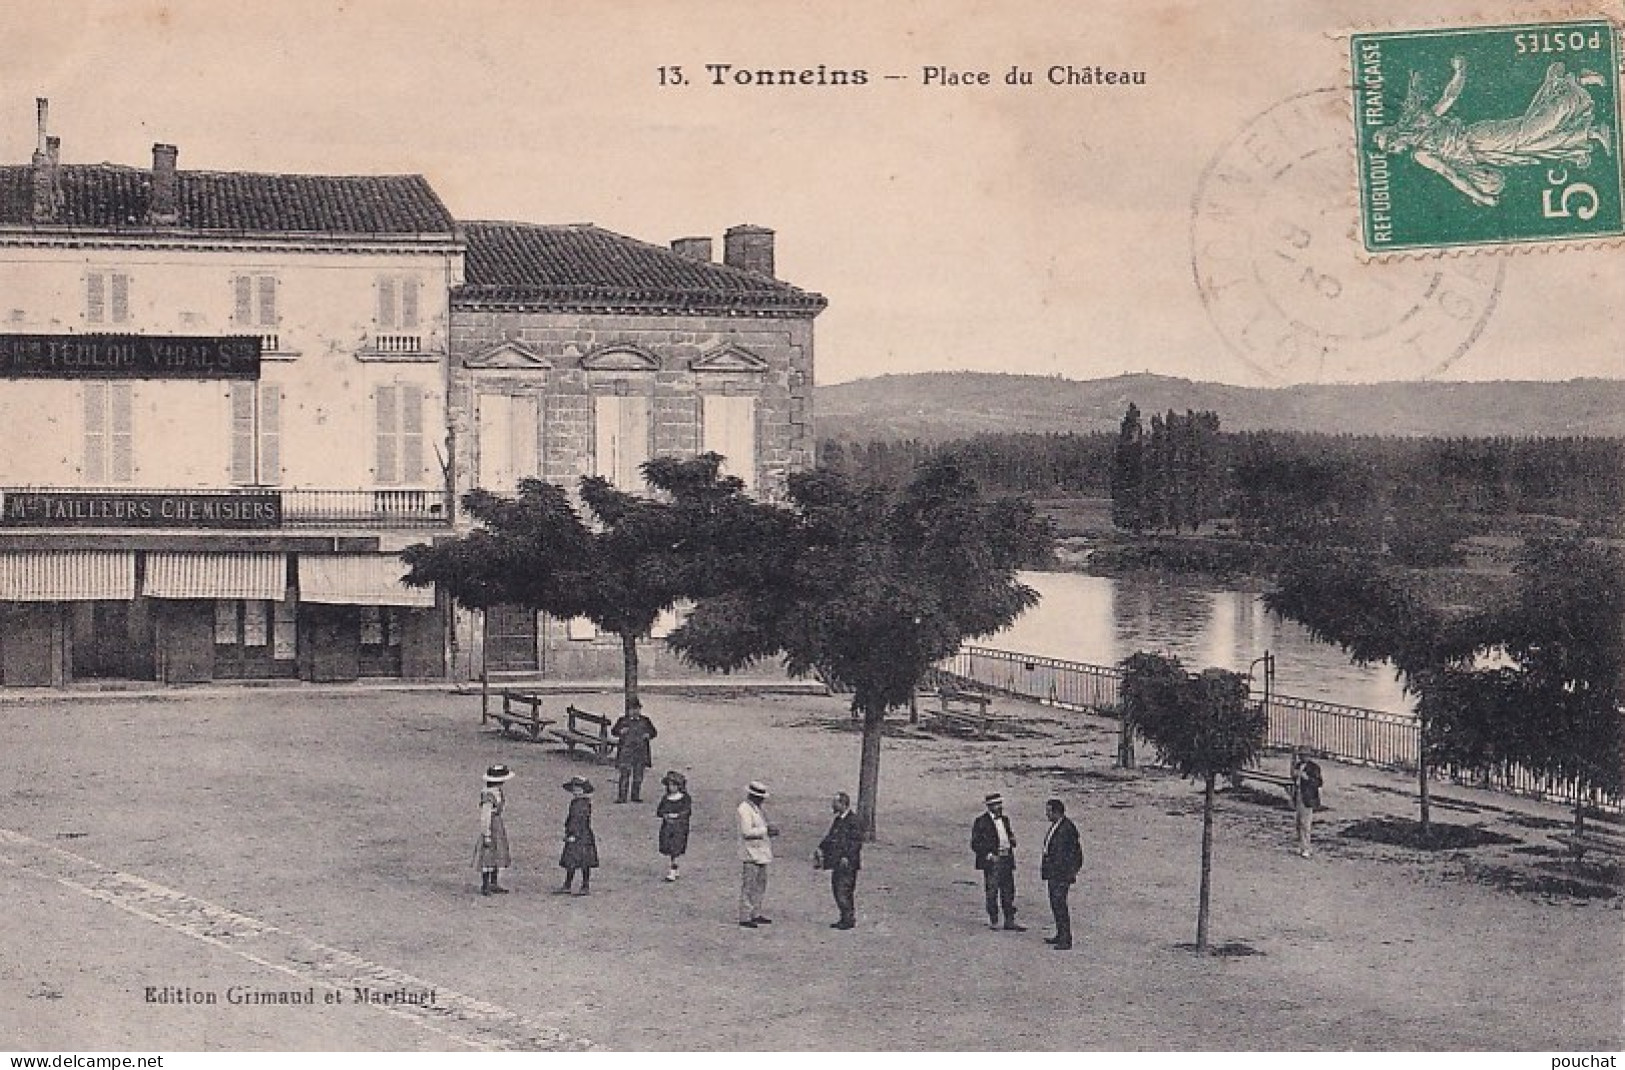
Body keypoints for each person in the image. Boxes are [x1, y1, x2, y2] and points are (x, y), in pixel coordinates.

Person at [1374, 57, 1614, 207]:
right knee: (1532, 146)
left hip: (1478, 137)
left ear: (1396, 138)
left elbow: (1453, 175)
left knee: (1529, 131)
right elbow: (1449, 98)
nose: (1397, 151)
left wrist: (1483, 197)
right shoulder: (1421, 140)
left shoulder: (1421, 148)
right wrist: (1461, 73)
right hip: (1484, 154)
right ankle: (1591, 132)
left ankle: (1573, 84)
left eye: (1392, 148)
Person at [970, 792, 1025, 931]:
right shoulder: (981, 822)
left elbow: (1007, 835)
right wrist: (988, 855)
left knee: (1009, 890)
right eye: (996, 804)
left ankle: (1009, 920)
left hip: (1006, 858)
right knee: (992, 891)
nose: (999, 807)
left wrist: (1012, 840)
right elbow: (975, 844)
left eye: (1000, 804)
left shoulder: (1005, 820)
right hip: (993, 860)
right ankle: (994, 919)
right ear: (989, 806)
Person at [815, 791, 863, 930]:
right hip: (838, 862)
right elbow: (830, 837)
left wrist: (847, 857)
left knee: (844, 890)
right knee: (837, 889)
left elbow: (856, 843)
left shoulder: (853, 821)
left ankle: (848, 918)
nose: (832, 806)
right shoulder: (839, 820)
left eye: (835, 803)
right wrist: (820, 848)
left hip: (847, 863)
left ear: (843, 804)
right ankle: (845, 917)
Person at [1039, 798, 1083, 950]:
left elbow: (1076, 855)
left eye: (1049, 811)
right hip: (1054, 874)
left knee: (1060, 905)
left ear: (1056, 812)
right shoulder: (1059, 826)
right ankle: (1060, 934)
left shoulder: (1067, 829)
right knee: (1056, 905)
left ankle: (1065, 939)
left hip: (1061, 875)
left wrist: (1069, 873)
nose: (1047, 814)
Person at [736, 781, 778, 927]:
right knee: (749, 885)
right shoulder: (744, 809)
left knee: (760, 884)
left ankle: (756, 912)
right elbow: (746, 832)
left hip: (761, 852)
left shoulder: (757, 809)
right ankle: (745, 916)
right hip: (750, 852)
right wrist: (766, 831)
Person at [474, 764, 515, 896]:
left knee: (497, 853)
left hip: (498, 825)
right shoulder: (488, 795)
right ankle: (485, 885)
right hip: (491, 826)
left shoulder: (497, 792)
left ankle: (494, 882)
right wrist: (486, 834)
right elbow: (485, 817)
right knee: (488, 855)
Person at [557, 775, 599, 895]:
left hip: (580, 835)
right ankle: (570, 884)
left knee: (581, 862)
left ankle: (582, 885)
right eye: (574, 789)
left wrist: (573, 834)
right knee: (575, 861)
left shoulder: (581, 804)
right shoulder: (579, 802)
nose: (575, 791)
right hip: (582, 834)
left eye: (578, 789)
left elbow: (578, 820)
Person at [611, 703, 658, 804]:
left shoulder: (645, 720)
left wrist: (648, 735)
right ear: (628, 711)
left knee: (638, 776)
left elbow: (654, 732)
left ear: (640, 710)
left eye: (637, 709)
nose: (635, 711)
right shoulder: (622, 720)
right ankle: (622, 797)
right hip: (626, 752)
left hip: (640, 753)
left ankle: (635, 796)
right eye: (632, 709)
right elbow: (613, 731)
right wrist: (620, 731)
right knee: (624, 775)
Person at [655, 770, 692, 882]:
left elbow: (687, 812)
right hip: (667, 827)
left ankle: (673, 869)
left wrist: (678, 816)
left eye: (674, 785)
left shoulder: (685, 798)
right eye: (670, 785)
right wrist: (666, 815)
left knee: (676, 848)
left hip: (680, 827)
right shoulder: (666, 798)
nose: (672, 787)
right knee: (669, 847)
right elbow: (659, 811)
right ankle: (675, 867)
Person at [1292, 752, 1324, 859]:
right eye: (1301, 755)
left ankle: (1306, 848)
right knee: (1298, 822)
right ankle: (1301, 845)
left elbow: (1319, 783)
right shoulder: (1297, 765)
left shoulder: (1314, 768)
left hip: (1308, 798)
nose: (1302, 757)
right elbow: (1295, 779)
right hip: (1299, 795)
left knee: (1305, 823)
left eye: (1305, 755)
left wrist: (1307, 779)